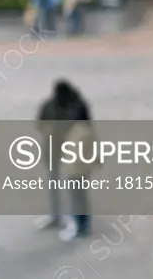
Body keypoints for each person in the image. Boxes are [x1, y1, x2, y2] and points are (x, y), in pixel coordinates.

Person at [34, 80, 94, 240]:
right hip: (57, 150)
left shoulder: (76, 107)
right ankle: (59, 217)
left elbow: (85, 132)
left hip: (72, 152)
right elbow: (40, 123)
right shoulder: (66, 105)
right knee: (59, 185)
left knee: (76, 189)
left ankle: (78, 222)